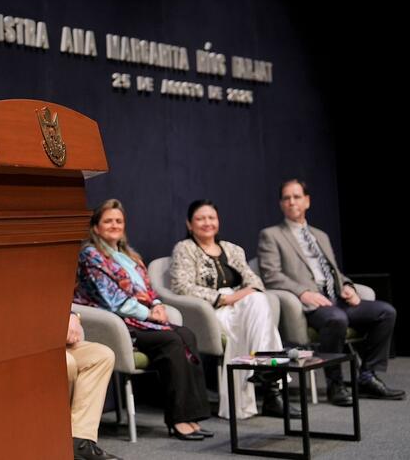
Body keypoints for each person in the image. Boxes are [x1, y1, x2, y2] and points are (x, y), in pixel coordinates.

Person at [258, 179, 404, 406]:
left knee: (386, 312)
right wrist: (303, 292)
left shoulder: (320, 235)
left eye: (297, 197)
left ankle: (367, 375)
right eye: (286, 198)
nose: (291, 202)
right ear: (281, 204)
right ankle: (335, 383)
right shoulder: (271, 235)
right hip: (310, 305)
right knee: (337, 319)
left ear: (307, 201)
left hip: (336, 299)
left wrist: (349, 287)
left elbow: (334, 272)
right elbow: (271, 275)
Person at [75, 199, 212, 441]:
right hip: (118, 323)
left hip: (144, 320)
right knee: (171, 340)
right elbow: (112, 299)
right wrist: (149, 313)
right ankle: (178, 420)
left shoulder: (130, 256)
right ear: (96, 227)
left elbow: (149, 291)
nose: (114, 225)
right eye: (108, 221)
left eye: (119, 221)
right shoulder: (91, 255)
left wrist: (158, 306)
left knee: (187, 334)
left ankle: (193, 416)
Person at [170, 200, 299, 420]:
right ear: (189, 224)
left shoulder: (233, 249)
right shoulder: (184, 249)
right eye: (200, 218)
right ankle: (271, 392)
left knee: (258, 301)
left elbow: (254, 280)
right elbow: (181, 287)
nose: (207, 223)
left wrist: (240, 296)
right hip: (211, 311)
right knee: (259, 309)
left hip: (241, 305)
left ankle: (263, 375)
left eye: (211, 217)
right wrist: (225, 298)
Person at [66, 313, 122, 460]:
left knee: (102, 355)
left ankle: (79, 442)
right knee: (67, 362)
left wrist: (72, 316)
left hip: (54, 341)